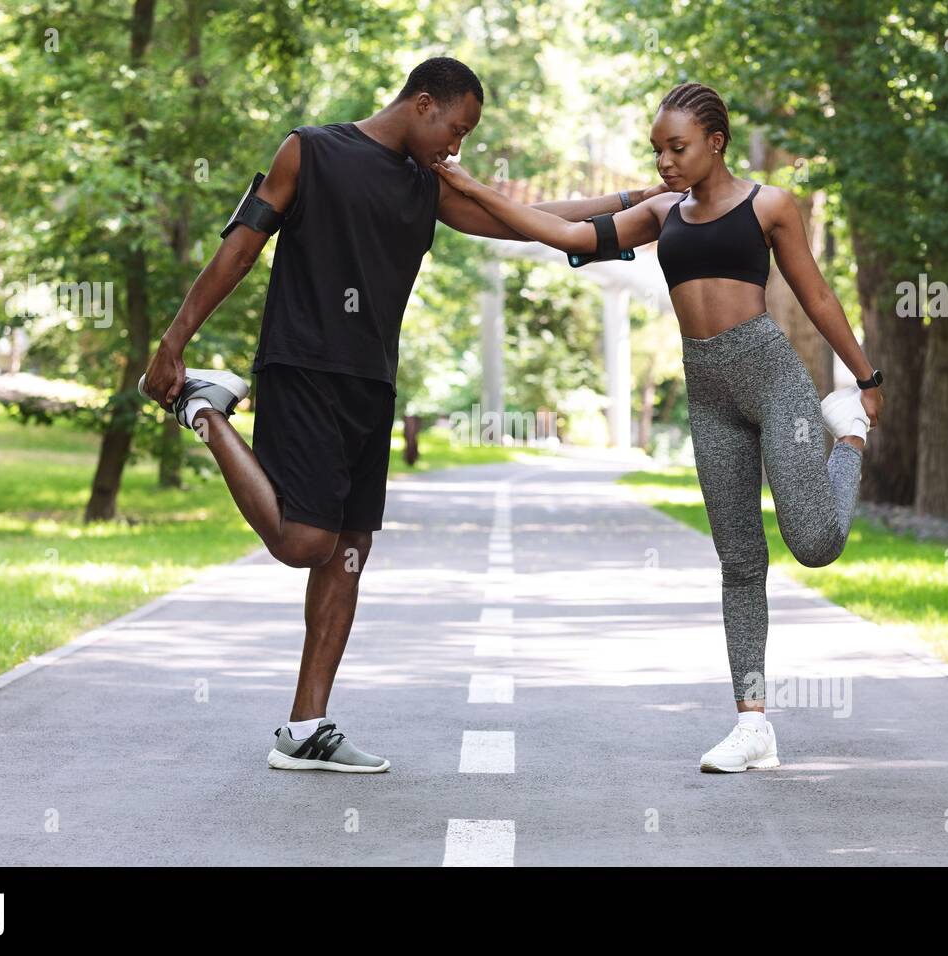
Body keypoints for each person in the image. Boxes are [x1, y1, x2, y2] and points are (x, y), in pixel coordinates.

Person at [137, 56, 670, 773]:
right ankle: (206, 410)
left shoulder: (428, 185)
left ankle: (306, 728)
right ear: (423, 103)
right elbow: (240, 248)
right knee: (303, 543)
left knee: (349, 553)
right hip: (303, 368)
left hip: (370, 384)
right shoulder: (310, 150)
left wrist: (635, 205)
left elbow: (528, 222)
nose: (458, 147)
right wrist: (175, 340)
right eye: (456, 129)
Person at [431, 81, 886, 774]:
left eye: (677, 148)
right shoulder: (661, 212)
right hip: (707, 390)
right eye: (657, 150)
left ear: (715, 142)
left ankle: (847, 435)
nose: (666, 161)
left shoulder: (770, 205)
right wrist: (471, 190)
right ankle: (752, 723)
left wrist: (864, 379)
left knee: (816, 543)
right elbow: (565, 234)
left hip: (773, 380)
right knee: (739, 560)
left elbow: (816, 292)